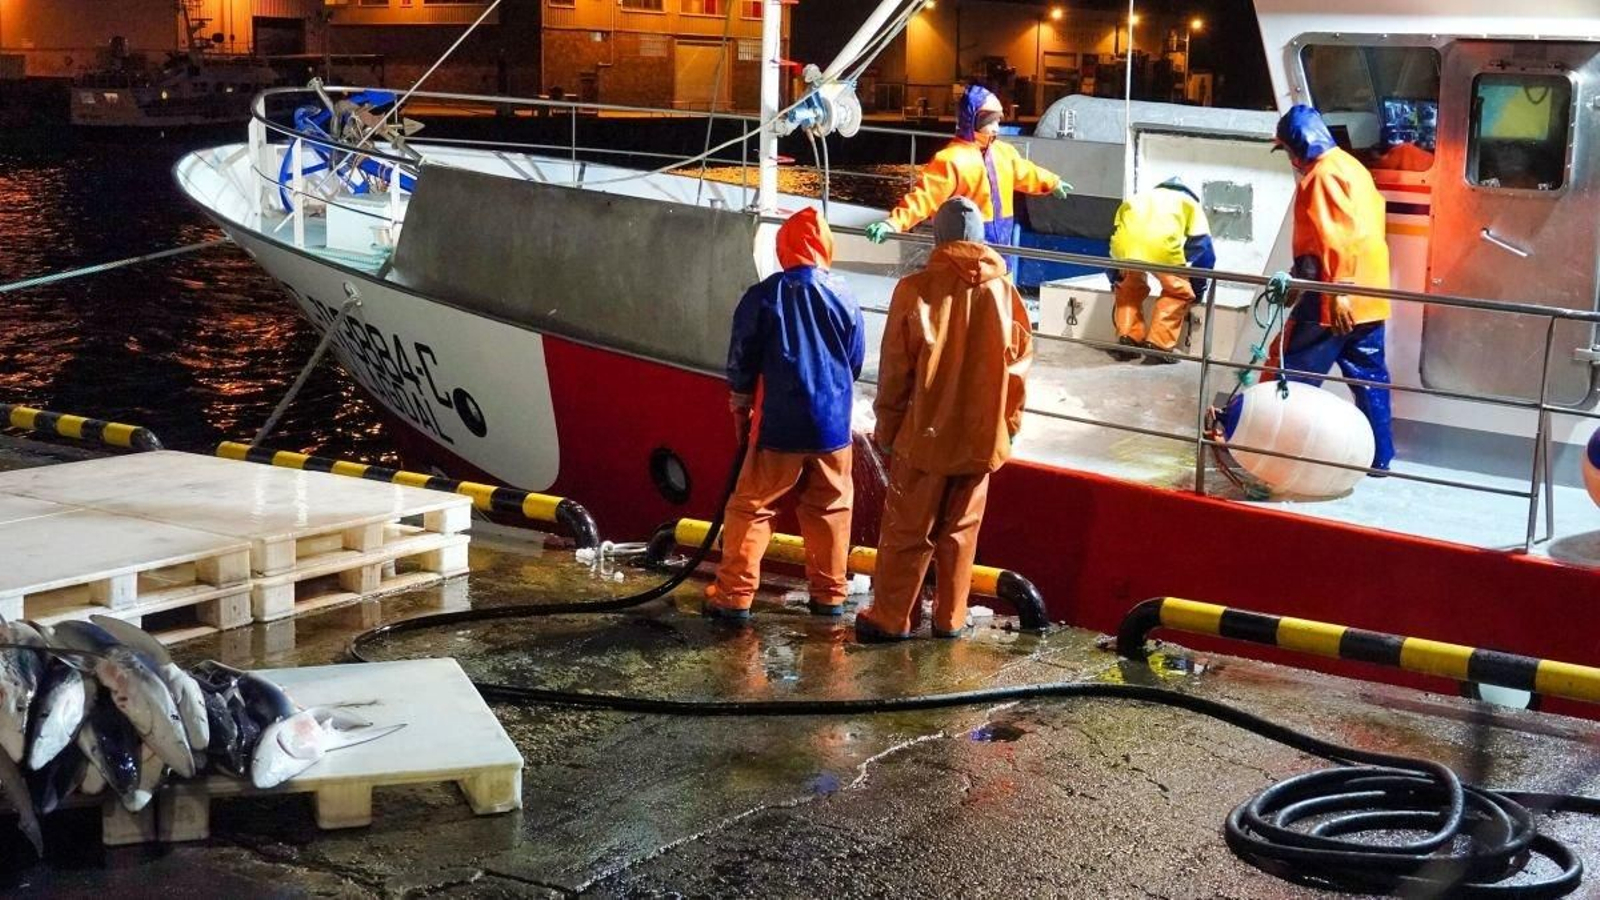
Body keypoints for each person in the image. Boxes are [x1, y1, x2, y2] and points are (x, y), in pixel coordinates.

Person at [856, 198, 1033, 642]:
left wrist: (888, 428)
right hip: (981, 440)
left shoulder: (915, 289)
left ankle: (892, 617)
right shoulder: (1006, 292)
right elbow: (1018, 369)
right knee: (961, 533)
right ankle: (950, 618)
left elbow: (896, 370)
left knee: (907, 531)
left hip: (924, 435)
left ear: (937, 236)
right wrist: (1007, 426)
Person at [705, 207, 866, 621]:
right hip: (833, 427)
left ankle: (734, 595)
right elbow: (855, 360)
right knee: (830, 508)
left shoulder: (763, 295)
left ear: (784, 248)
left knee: (752, 507)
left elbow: (743, 357)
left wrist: (740, 405)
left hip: (779, 422)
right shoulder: (845, 294)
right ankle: (830, 594)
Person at [1270, 104, 1395, 473]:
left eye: (1287, 149)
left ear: (1298, 144)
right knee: (1370, 379)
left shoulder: (1322, 175)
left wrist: (1338, 290)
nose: (1289, 158)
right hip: (1370, 298)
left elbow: (1335, 236)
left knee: (1290, 373)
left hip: (1333, 299)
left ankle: (1275, 448)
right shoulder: (1352, 167)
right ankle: (1380, 458)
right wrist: (1299, 276)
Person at [864, 84, 1072, 255]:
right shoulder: (950, 160)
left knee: (997, 287)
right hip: (964, 247)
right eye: (992, 121)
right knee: (968, 293)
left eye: (998, 120)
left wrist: (1051, 182)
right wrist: (893, 223)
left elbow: (1027, 172)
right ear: (974, 121)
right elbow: (924, 197)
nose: (997, 127)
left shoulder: (1003, 153)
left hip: (1001, 245)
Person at [1105, 178, 1216, 364]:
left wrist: (1114, 278)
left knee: (1128, 289)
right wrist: (1197, 290)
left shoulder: (1138, 198)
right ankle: (1159, 344)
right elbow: (1205, 253)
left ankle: (1128, 338)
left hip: (1125, 250)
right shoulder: (1189, 203)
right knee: (1178, 292)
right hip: (1162, 250)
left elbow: (1116, 236)